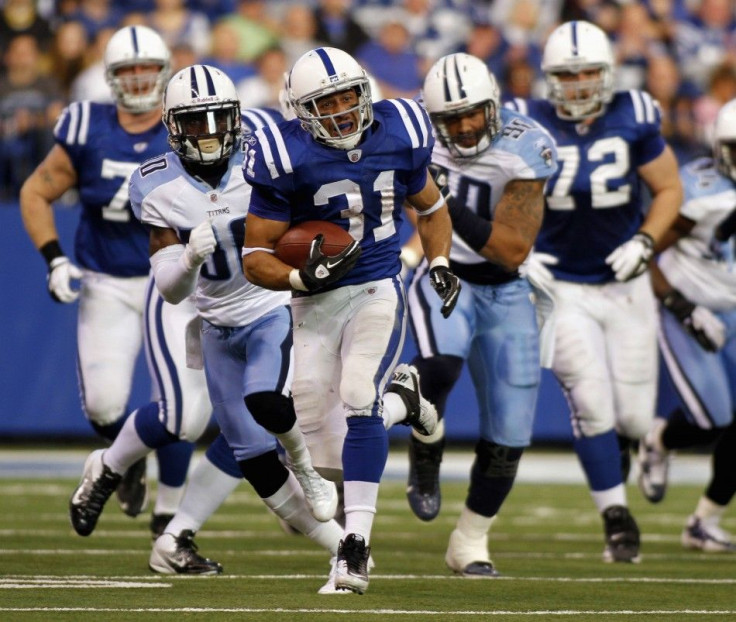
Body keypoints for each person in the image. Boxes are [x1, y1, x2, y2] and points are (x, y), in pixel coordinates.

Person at [241, 46, 459, 593]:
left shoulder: (400, 129)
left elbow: (430, 207)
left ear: (365, 93)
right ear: (300, 110)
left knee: (358, 393)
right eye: (326, 102)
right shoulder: (284, 156)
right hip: (314, 298)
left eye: (347, 97)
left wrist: (438, 261)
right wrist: (297, 280)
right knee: (317, 443)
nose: (341, 111)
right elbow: (254, 255)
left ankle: (355, 548)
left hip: (377, 285)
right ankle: (403, 402)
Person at [130, 64, 350, 591]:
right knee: (253, 458)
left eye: (217, 120)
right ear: (172, 125)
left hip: (270, 307)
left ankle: (311, 474)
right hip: (216, 326)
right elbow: (170, 290)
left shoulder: (265, 151)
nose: (208, 134)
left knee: (267, 402)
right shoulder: (154, 183)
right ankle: (343, 545)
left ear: (236, 117)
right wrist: (187, 259)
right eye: (195, 123)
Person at [505, 20, 682, 563]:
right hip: (561, 286)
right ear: (549, 78)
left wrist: (647, 241)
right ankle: (616, 519)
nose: (579, 84)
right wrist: (518, 246)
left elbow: (669, 187)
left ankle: (641, 442)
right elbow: (487, 185)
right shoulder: (523, 121)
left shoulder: (636, 113)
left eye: (588, 73)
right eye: (567, 74)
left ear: (607, 74)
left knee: (630, 417)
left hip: (626, 284)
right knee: (592, 405)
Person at [19, 24, 200, 534]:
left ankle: (169, 517)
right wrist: (54, 258)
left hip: (175, 281)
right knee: (102, 406)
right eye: (128, 70)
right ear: (110, 77)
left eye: (148, 68)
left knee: (182, 401)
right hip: (107, 279)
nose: (140, 78)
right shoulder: (85, 125)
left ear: (166, 73)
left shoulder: (186, 123)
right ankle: (129, 456)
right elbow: (36, 192)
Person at [403, 52, 557, 577]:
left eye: (473, 113)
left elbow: (512, 249)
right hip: (447, 274)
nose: (466, 126)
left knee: (511, 431)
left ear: (494, 104)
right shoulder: (411, 135)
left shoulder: (526, 145)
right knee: (439, 368)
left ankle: (469, 539)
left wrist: (442, 200)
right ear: (432, 119)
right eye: (451, 118)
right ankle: (426, 446)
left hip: (506, 288)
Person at [637, 98, 736, 553]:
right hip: (688, 304)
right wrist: (681, 305)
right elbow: (644, 250)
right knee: (710, 419)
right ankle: (659, 439)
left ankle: (703, 522)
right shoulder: (701, 191)